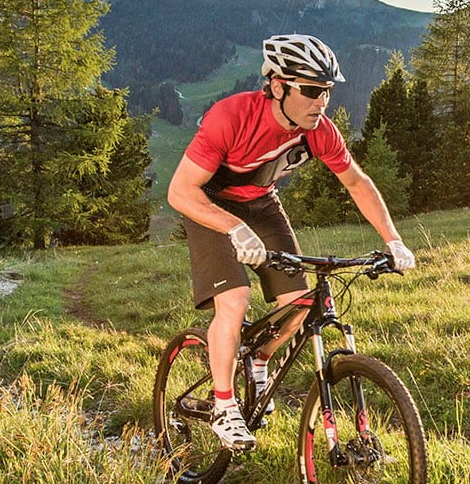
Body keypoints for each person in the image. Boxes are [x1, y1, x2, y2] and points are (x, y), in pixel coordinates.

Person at [167, 33, 415, 451]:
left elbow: (356, 182)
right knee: (236, 299)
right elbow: (179, 192)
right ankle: (224, 406)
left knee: (297, 305)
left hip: (261, 203)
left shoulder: (318, 131)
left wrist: (394, 240)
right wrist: (233, 227)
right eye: (313, 91)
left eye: (328, 92)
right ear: (279, 86)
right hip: (209, 204)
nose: (322, 102)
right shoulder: (229, 117)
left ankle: (259, 359)